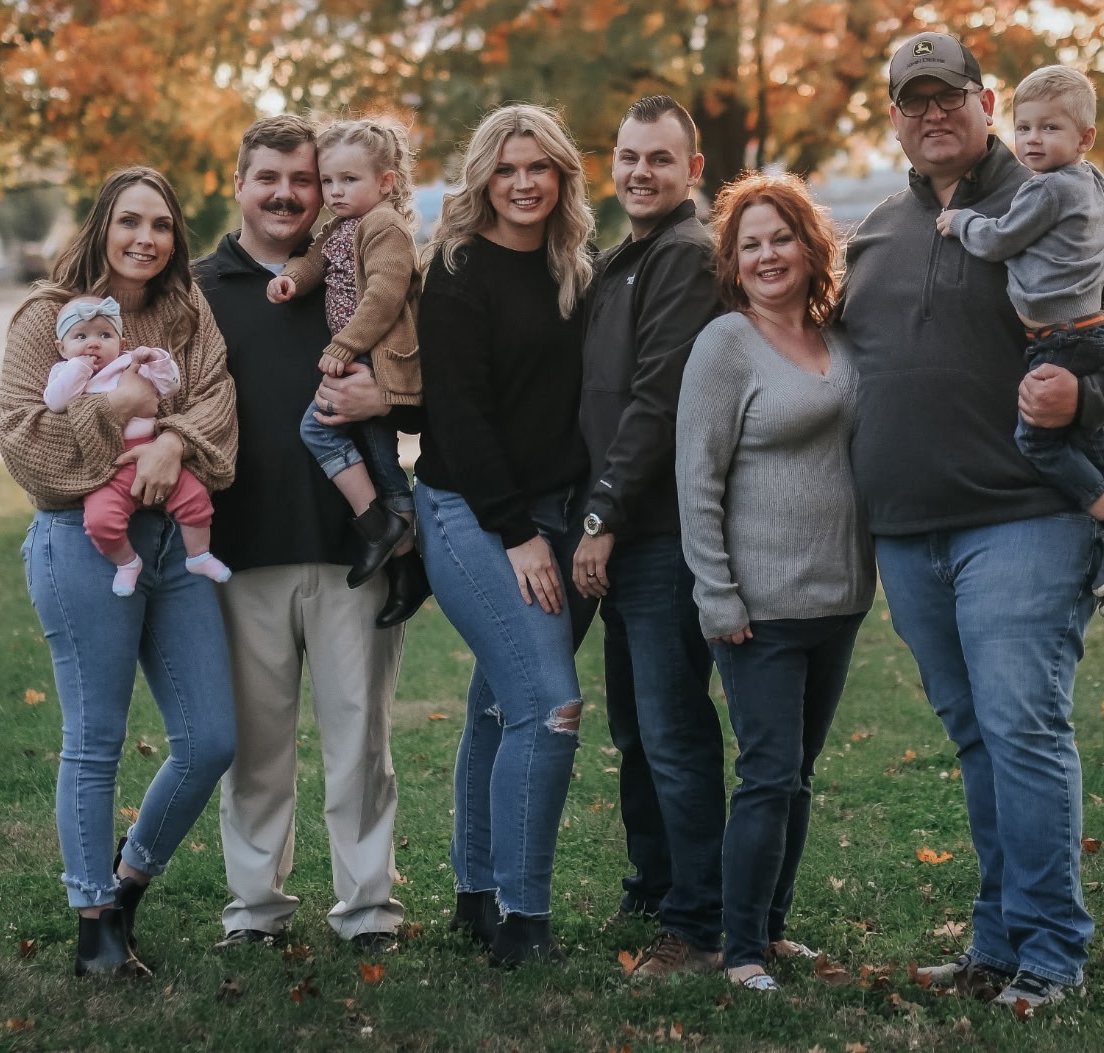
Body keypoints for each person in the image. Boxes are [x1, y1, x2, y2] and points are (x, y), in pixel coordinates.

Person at [842, 31, 1104, 1011]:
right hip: (907, 529)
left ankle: (1051, 952)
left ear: (985, 103)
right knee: (978, 737)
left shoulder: (1056, 190)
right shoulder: (876, 230)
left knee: (1022, 730)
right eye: (913, 100)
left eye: (949, 95)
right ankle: (996, 942)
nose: (932, 113)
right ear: (893, 117)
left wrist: (1089, 396)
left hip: (1024, 515)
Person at [0, 165, 239, 978]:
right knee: (96, 737)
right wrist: (118, 405)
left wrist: (171, 441)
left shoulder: (186, 309)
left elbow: (217, 404)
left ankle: (127, 880)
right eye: (130, 220)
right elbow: (24, 438)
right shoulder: (44, 315)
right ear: (102, 225)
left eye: (161, 224)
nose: (146, 237)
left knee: (210, 738)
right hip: (80, 540)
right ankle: (94, 922)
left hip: (174, 540)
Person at [195, 114, 416, 954]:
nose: (288, 194)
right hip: (240, 549)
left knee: (360, 739)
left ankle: (368, 908)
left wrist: (385, 399)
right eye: (270, 177)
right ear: (239, 184)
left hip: (352, 546)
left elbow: (426, 378)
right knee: (256, 744)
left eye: (306, 179)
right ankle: (255, 907)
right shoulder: (201, 289)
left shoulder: (356, 270)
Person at [676, 172, 874, 994]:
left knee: (798, 773)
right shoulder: (726, 344)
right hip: (758, 605)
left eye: (780, 238)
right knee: (767, 772)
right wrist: (716, 593)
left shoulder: (838, 337)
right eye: (749, 244)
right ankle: (742, 950)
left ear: (809, 245)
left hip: (839, 596)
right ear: (732, 261)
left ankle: (773, 926)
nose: (766, 255)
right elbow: (697, 478)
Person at [415, 101, 594, 967]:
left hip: (560, 514)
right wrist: (519, 533)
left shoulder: (574, 269)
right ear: (484, 177)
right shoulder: (455, 271)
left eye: (539, 167)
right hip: (470, 511)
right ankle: (525, 923)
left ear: (562, 175)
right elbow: (460, 415)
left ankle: (477, 893)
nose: (523, 183)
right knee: (549, 705)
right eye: (507, 168)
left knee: (500, 702)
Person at [570, 94, 727, 976]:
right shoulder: (620, 259)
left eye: (660, 158)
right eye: (629, 156)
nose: (641, 172)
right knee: (635, 727)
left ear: (692, 170)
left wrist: (603, 513)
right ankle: (656, 884)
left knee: (671, 730)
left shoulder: (686, 257)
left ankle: (698, 922)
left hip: (657, 533)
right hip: (624, 533)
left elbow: (658, 398)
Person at [937, 65, 1104, 610]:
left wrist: (960, 222)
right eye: (1024, 128)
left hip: (1062, 336)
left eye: (1050, 129)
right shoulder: (1090, 182)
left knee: (1038, 440)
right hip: (1089, 330)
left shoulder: (1044, 190)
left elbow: (998, 240)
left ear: (1085, 138)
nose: (1033, 140)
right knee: (1091, 434)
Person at [268, 118, 423, 601]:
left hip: (377, 357)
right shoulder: (340, 227)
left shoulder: (385, 226)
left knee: (317, 429)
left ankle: (378, 526)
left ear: (385, 182)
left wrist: (345, 345)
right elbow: (314, 262)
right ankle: (404, 561)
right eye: (328, 180)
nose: (335, 191)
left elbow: (384, 295)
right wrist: (291, 280)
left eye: (349, 180)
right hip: (360, 355)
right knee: (380, 455)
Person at [44, 296, 231, 595]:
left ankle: (199, 555)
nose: (93, 344)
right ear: (61, 348)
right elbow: (56, 402)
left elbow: (169, 387)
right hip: (109, 467)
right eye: (80, 337)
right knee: (100, 521)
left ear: (121, 343)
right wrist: (79, 368)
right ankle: (127, 563)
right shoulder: (64, 371)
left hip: (151, 451)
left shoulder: (129, 363)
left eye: (105, 335)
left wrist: (157, 361)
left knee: (195, 495)